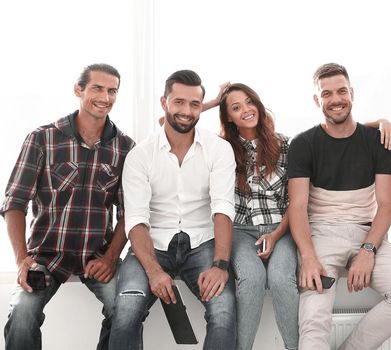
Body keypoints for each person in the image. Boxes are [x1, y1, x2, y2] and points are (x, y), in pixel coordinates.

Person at [287, 62, 391, 350]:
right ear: (317, 100)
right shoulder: (303, 144)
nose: (335, 99)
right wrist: (308, 256)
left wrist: (368, 250)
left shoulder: (377, 141)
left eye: (341, 91)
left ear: (352, 93)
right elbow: (298, 207)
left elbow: (387, 205)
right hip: (321, 235)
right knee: (314, 317)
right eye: (327, 94)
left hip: (366, 234)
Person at [1, 63, 135, 350]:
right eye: (97, 88)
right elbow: (15, 202)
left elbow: (129, 212)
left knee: (126, 309)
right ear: (79, 89)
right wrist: (22, 259)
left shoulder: (125, 148)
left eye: (112, 91)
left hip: (97, 255)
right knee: (22, 313)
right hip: (46, 255)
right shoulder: (42, 138)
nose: (105, 97)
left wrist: (111, 258)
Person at [109, 70, 237, 350]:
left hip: (203, 242)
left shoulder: (219, 149)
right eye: (178, 102)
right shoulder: (140, 155)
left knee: (224, 314)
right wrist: (154, 272)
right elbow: (137, 220)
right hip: (152, 244)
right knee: (126, 312)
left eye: (194, 104)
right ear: (164, 102)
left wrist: (220, 265)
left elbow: (223, 209)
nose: (186, 111)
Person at [218, 83, 298, 350]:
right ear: (228, 116)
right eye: (236, 107)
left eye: (250, 102)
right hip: (241, 230)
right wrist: (214, 101)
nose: (246, 110)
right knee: (251, 279)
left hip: (281, 228)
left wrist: (275, 235)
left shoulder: (285, 145)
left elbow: (294, 202)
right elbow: (168, 126)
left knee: (280, 279)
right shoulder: (221, 149)